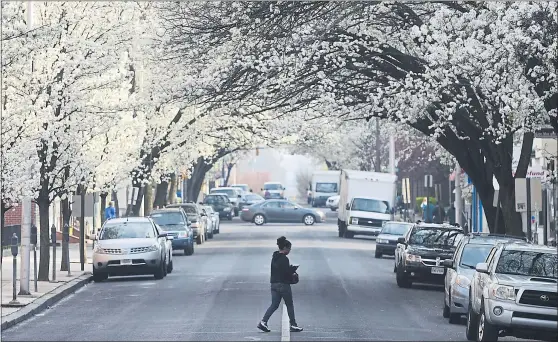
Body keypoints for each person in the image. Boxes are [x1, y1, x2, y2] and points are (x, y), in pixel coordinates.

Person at [258, 236, 303, 333]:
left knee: (274, 305)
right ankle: (293, 325)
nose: (290, 251)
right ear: (285, 248)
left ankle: (263, 321)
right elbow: (286, 273)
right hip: (283, 285)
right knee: (289, 304)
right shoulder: (284, 259)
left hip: (273, 285)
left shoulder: (274, 257)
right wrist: (293, 270)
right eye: (289, 249)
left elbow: (278, 270)